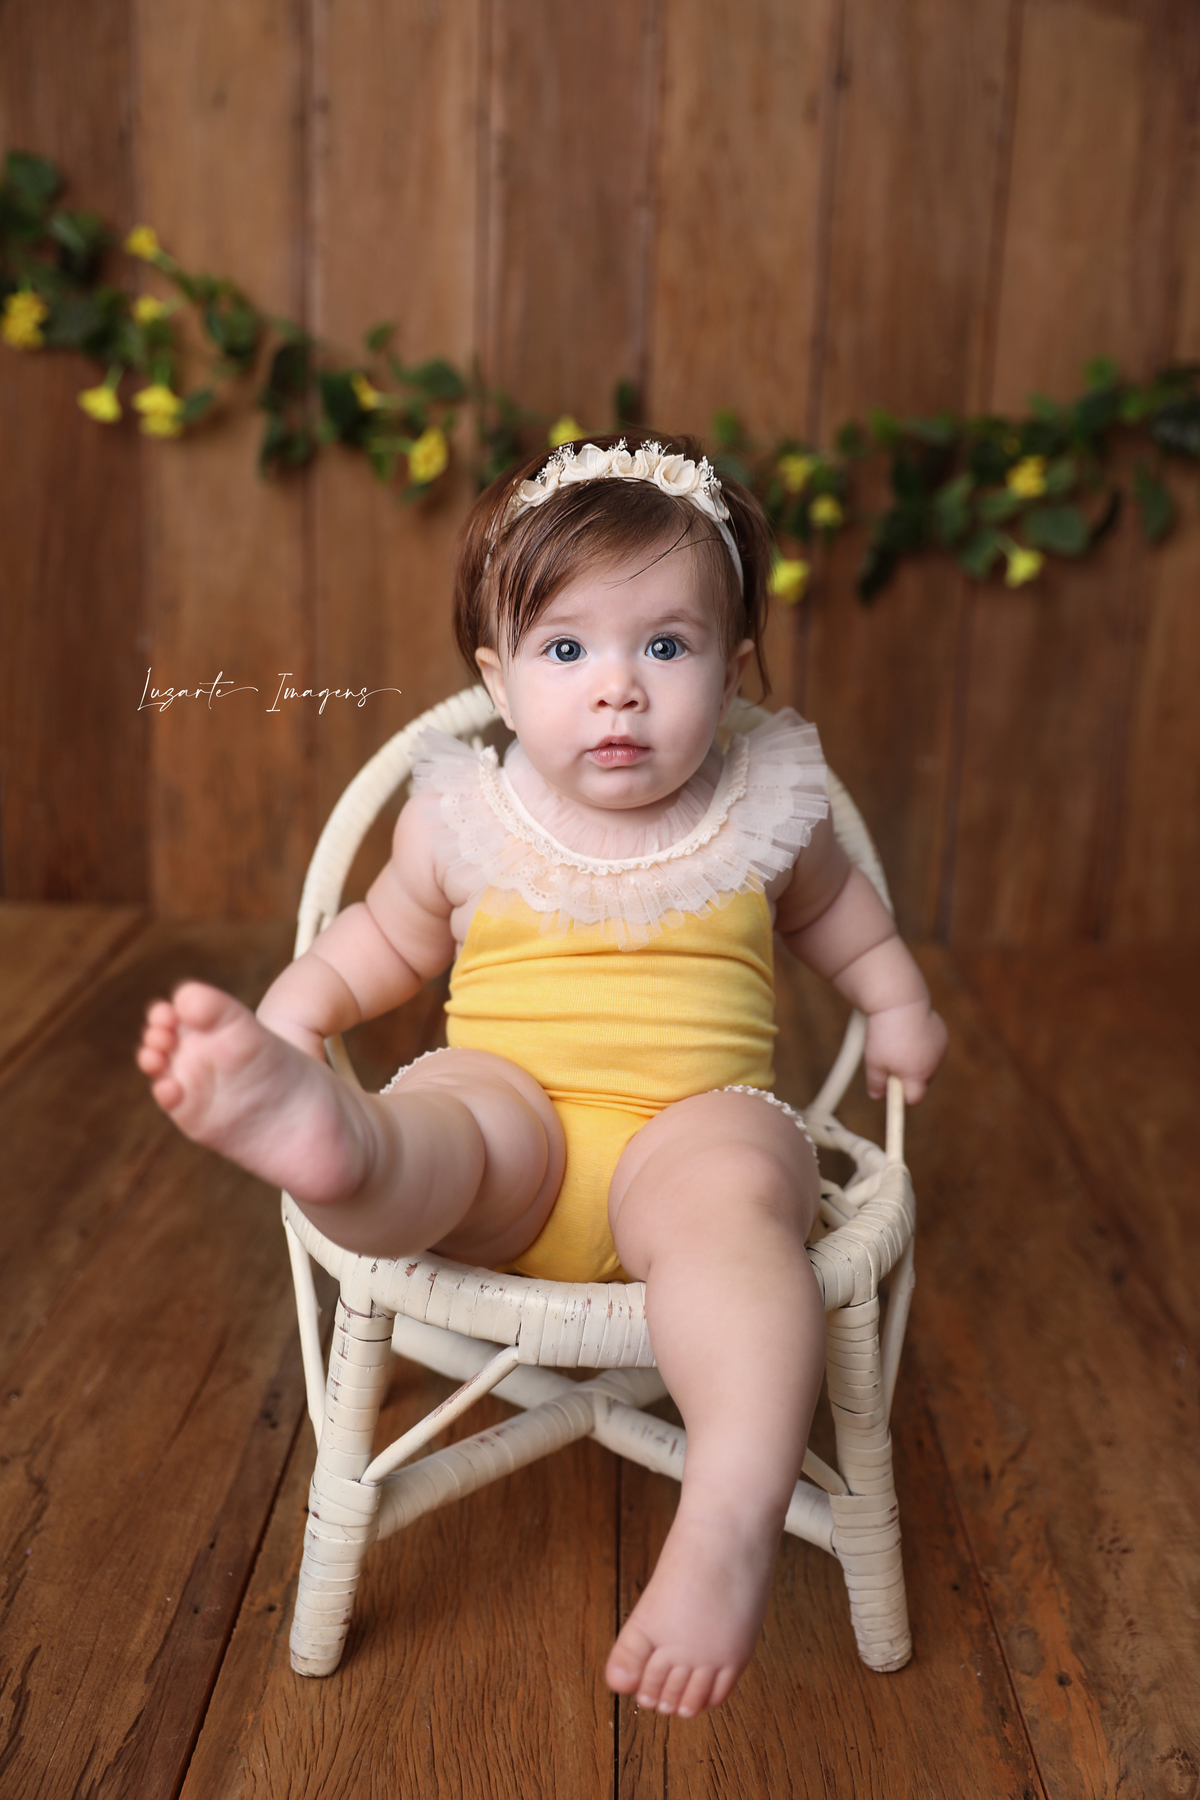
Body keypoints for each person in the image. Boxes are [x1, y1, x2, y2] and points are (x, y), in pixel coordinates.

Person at [138, 432, 947, 1719]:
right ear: (499, 681)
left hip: (695, 1130)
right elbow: (382, 939)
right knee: (443, 1126)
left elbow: (846, 926)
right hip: (510, 1119)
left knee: (740, 1215)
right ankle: (336, 1142)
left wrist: (898, 1006)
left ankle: (729, 1515)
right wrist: (299, 1011)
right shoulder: (463, 816)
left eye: (665, 647)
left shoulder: (767, 804)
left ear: (734, 670)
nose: (617, 690)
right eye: (566, 651)